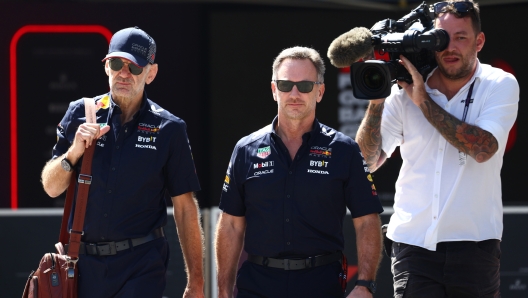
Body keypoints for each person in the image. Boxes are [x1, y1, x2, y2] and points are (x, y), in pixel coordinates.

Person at [356, 1, 519, 297]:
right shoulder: (402, 91)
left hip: (475, 248)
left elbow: (483, 149)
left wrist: (424, 102)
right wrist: (378, 98)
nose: (450, 47)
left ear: (479, 42)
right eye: (442, 38)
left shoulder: (499, 83)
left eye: (461, 37)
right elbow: (365, 162)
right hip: (413, 246)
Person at [40, 27, 205, 298]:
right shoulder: (81, 113)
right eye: (117, 64)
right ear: (107, 67)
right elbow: (51, 187)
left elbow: (185, 207)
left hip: (141, 265)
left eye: (134, 67)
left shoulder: (170, 129)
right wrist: (73, 153)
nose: (124, 73)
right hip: (83, 266)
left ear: (151, 73)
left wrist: (196, 283)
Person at [215, 46, 384, 298]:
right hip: (258, 284)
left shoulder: (343, 150)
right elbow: (230, 225)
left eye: (305, 86)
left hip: (322, 284)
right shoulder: (245, 149)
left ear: (320, 91)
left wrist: (365, 285)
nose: (294, 93)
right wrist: (224, 290)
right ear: (274, 90)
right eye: (285, 85)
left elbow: (367, 220)